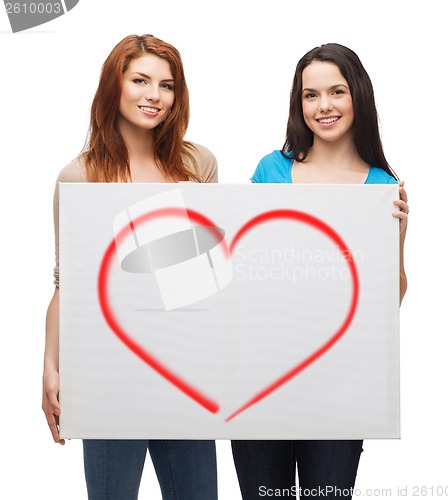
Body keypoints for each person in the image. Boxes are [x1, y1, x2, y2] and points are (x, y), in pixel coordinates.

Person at [42, 34, 218, 500]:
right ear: (113, 86)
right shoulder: (79, 175)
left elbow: (209, 276)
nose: (154, 95)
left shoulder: (197, 164)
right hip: (108, 370)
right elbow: (67, 282)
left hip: (185, 368)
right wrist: (50, 368)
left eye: (166, 85)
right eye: (140, 80)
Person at [231, 43, 408, 499]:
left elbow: (387, 300)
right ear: (299, 103)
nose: (323, 106)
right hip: (262, 380)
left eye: (336, 92)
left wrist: (399, 235)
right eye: (311, 95)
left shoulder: (383, 188)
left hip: (339, 386)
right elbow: (242, 276)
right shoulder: (270, 171)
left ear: (358, 98)